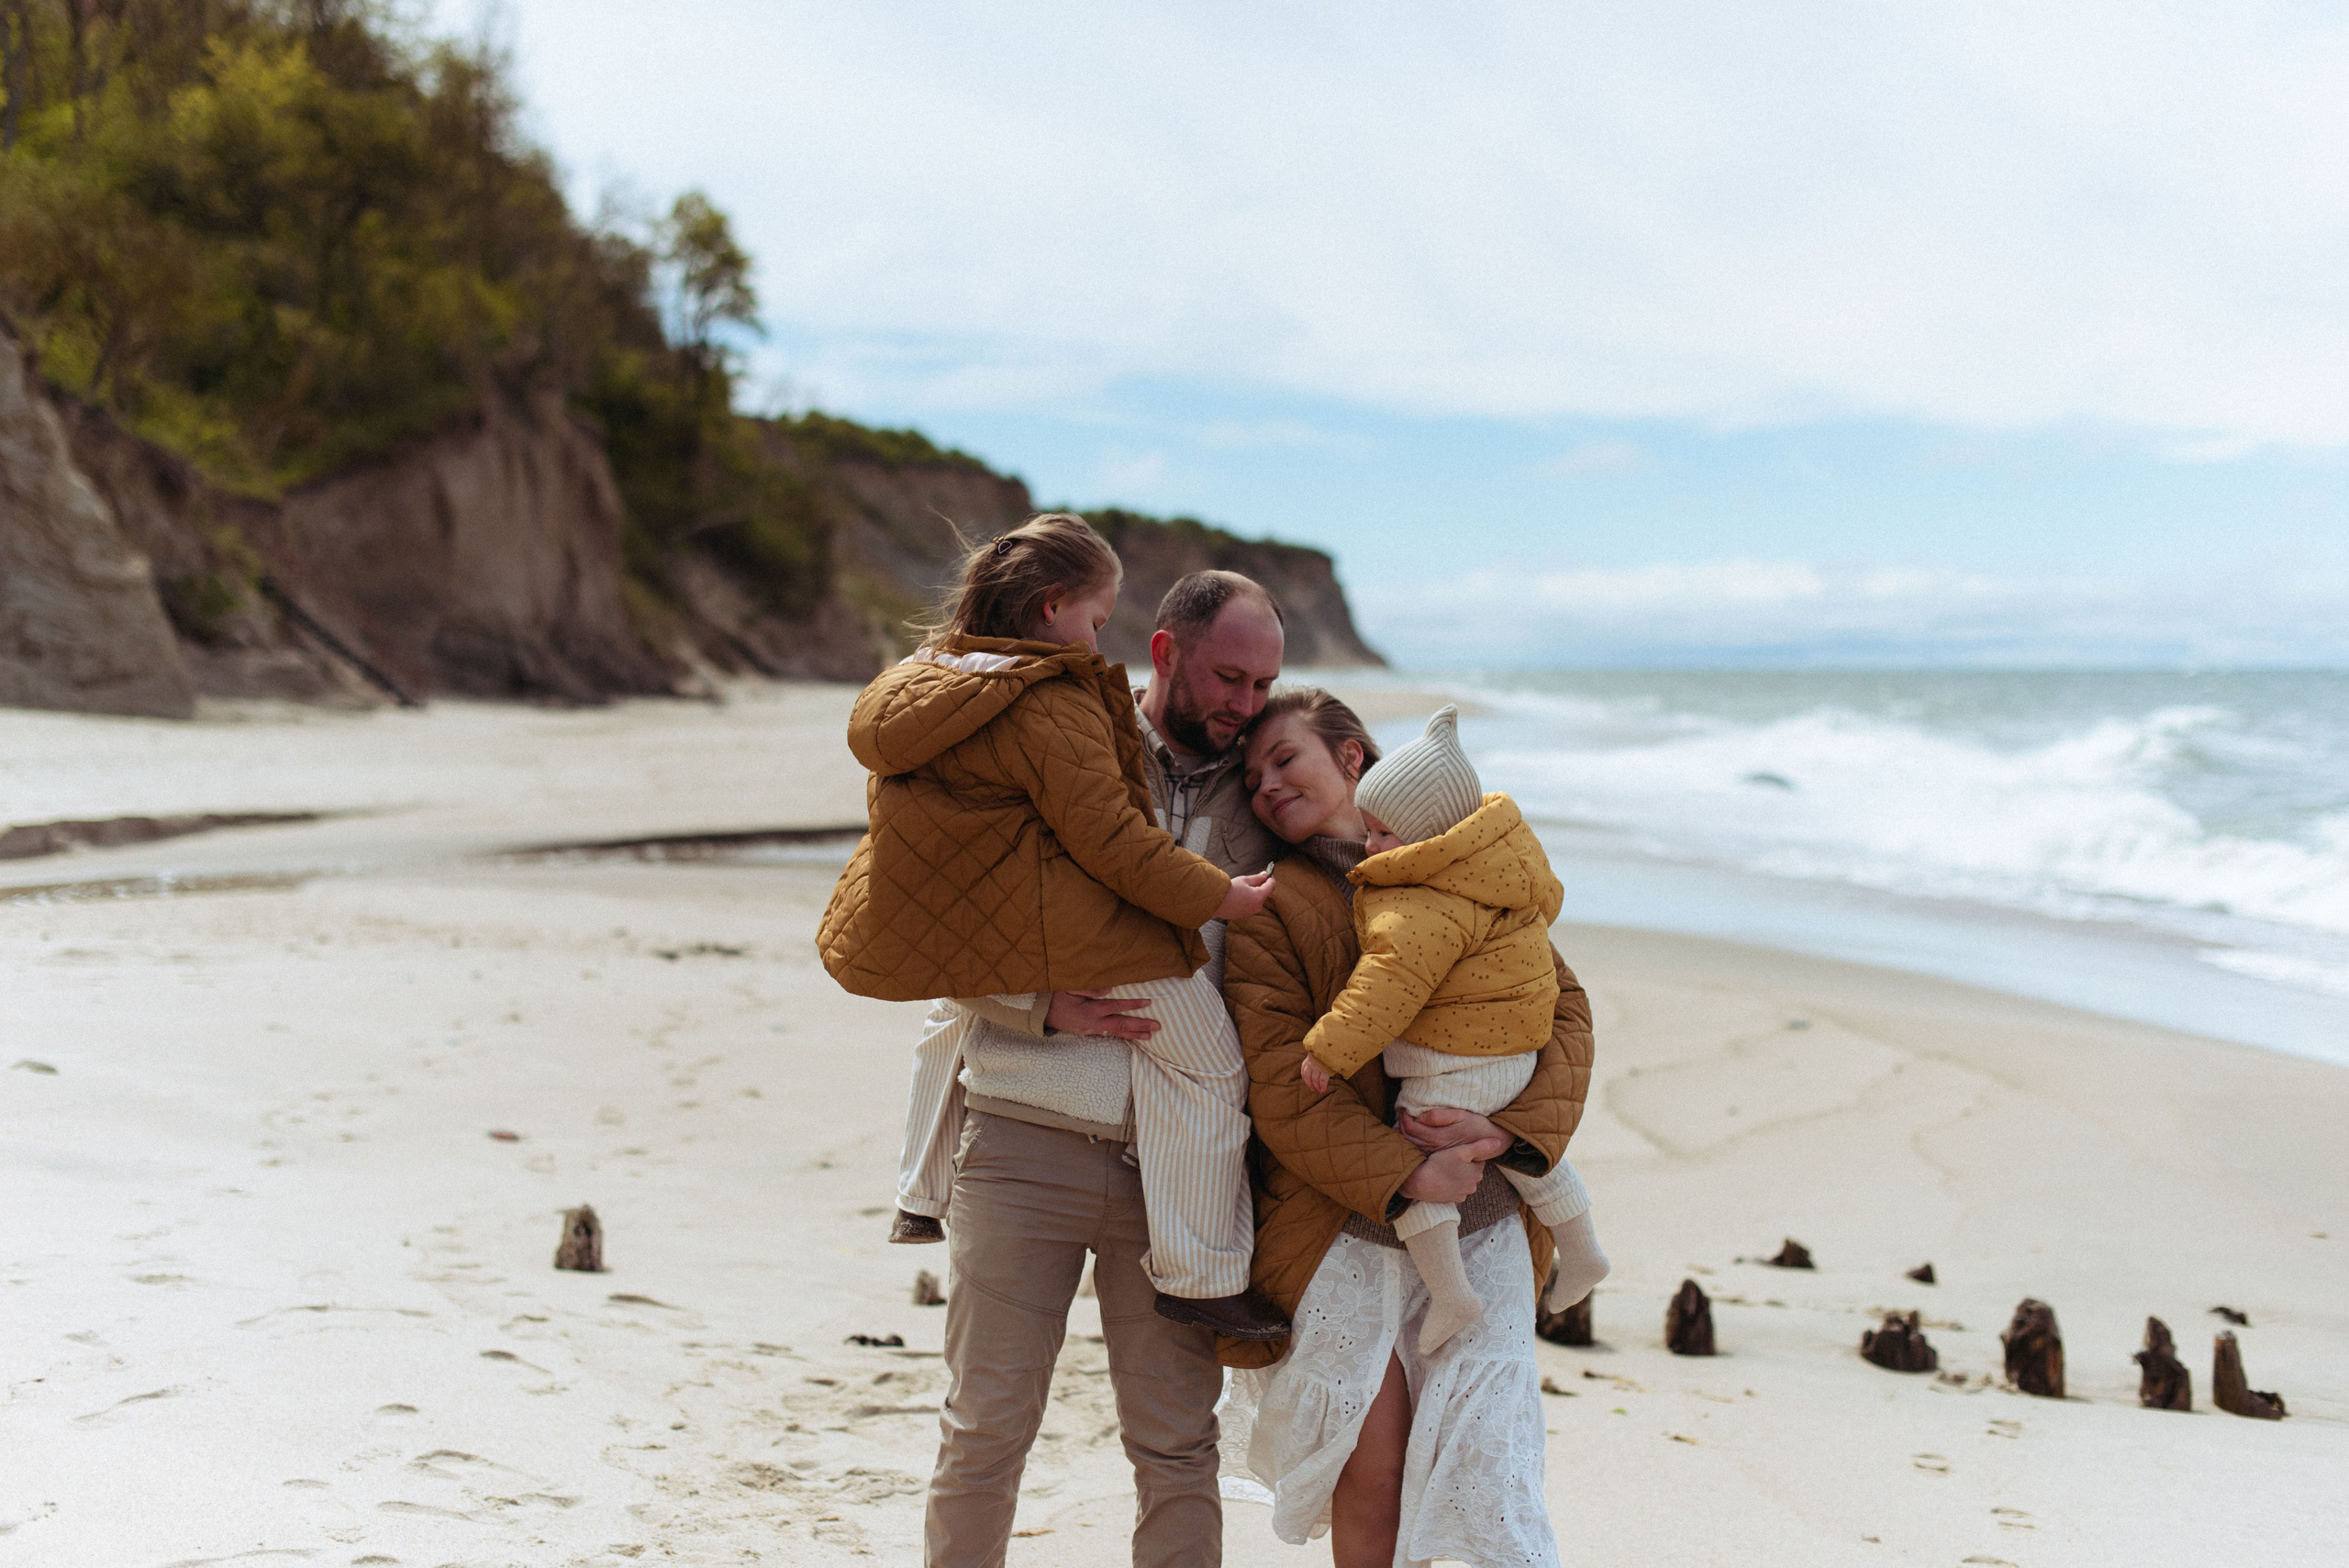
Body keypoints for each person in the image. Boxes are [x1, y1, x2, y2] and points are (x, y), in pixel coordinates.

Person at [822, 536, 1289, 1566]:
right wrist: (1036, 1000)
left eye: (1265, 682)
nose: (1248, 701)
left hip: (1177, 1171)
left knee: (1177, 1443)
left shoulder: (1273, 792)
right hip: (1021, 1138)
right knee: (984, 1429)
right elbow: (929, 914)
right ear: (1164, 650)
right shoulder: (1036, 723)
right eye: (1228, 676)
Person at [1219, 688, 1594, 1568]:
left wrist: (1509, 1132)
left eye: (1286, 759)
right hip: (1344, 1226)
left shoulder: (1470, 866)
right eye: (1253, 775)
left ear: (1352, 758)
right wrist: (1405, 1172)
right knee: (1375, 1467)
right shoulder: (1275, 906)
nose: (1267, 785)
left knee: (1465, 1465)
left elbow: (1565, 1015)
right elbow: (1283, 1083)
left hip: (1489, 1219)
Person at [1295, 704, 1609, 1352]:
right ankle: (1582, 1249)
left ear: (1427, 836)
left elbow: (1387, 986)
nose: (1371, 846)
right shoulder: (1496, 874)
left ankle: (1452, 1292)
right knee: (1530, 1160)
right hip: (1511, 1053)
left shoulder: (1422, 903)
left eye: (1383, 834)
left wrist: (1331, 1048)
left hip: (1453, 1058)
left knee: (1417, 1149)